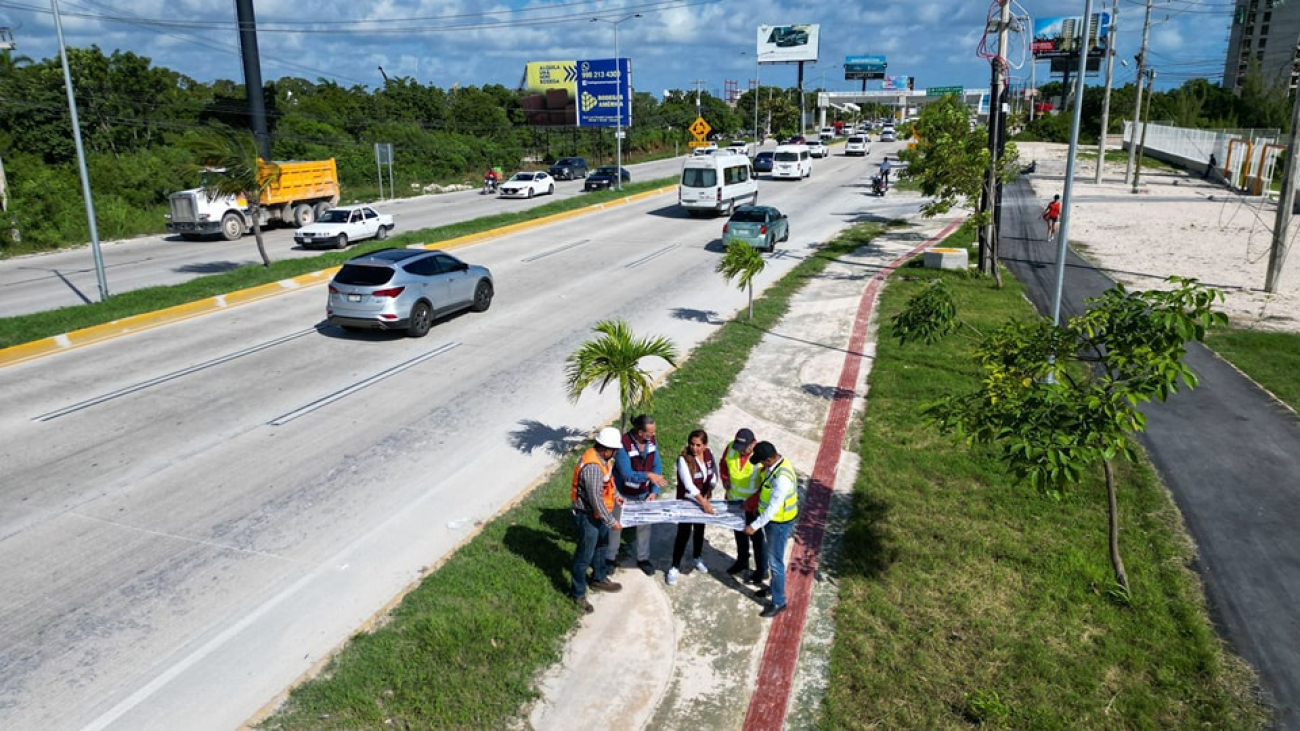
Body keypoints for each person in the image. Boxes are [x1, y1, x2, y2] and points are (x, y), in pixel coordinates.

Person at [570, 428, 625, 614]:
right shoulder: (593, 467)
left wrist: (616, 495)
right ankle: (577, 594)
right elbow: (595, 500)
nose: (616, 452)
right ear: (607, 449)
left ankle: (599, 578)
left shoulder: (604, 460)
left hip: (599, 514)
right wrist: (611, 522)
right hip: (588, 516)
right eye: (615, 449)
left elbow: (608, 482)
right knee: (584, 555)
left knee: (601, 545)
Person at [607, 414, 668, 576]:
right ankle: (610, 558)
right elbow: (627, 474)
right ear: (640, 432)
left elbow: (657, 468)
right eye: (651, 433)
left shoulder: (651, 442)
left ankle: (643, 558)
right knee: (616, 526)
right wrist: (648, 475)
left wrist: (654, 491)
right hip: (623, 493)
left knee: (644, 527)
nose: (654, 435)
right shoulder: (623, 446)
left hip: (644, 493)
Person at [744, 441, 799, 619]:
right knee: (772, 558)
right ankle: (774, 588)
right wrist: (757, 507)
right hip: (773, 521)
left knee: (776, 563)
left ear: (769, 459)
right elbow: (766, 493)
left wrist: (754, 525)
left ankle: (778, 602)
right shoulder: (776, 465)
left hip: (779, 523)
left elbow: (773, 508)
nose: (760, 464)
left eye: (761, 461)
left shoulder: (782, 478)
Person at [666, 429, 718, 585]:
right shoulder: (684, 460)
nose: (694, 448)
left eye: (698, 445)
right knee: (683, 533)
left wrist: (710, 489)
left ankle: (697, 557)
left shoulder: (708, 455)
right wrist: (705, 503)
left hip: (702, 500)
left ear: (705, 445)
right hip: (688, 501)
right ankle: (674, 567)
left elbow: (713, 473)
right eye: (692, 444)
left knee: (700, 530)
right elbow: (689, 485)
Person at [720, 428, 766, 583]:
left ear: (753, 444)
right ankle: (742, 561)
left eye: (743, 449)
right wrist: (725, 479)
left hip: (753, 507)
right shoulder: (731, 447)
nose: (739, 452)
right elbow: (723, 464)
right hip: (734, 502)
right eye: (738, 448)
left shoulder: (762, 455)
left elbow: (766, 484)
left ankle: (761, 570)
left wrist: (751, 503)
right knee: (739, 534)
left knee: (757, 539)